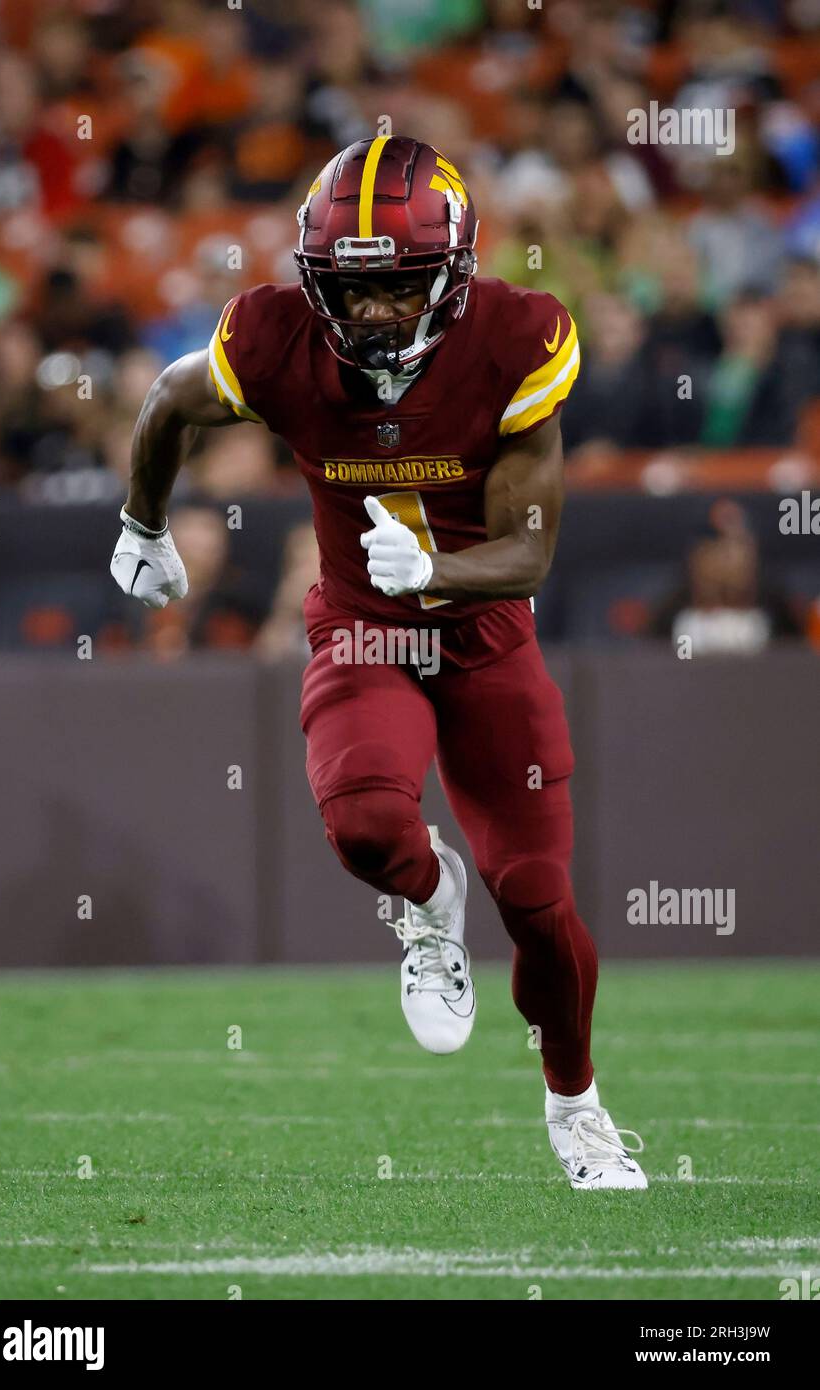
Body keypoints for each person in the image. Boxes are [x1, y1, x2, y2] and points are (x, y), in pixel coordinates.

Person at [111, 135, 646, 1189]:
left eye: (397, 287)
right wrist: (143, 523)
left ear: (451, 275)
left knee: (540, 902)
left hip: (485, 637)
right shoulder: (271, 337)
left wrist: (441, 568)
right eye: (348, 292)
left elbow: (532, 549)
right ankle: (425, 897)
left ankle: (576, 1105)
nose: (369, 316)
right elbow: (171, 399)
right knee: (361, 819)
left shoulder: (517, 336)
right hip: (363, 630)